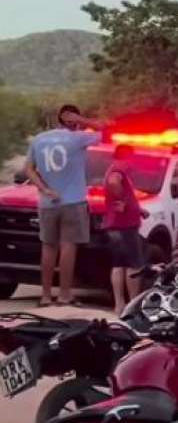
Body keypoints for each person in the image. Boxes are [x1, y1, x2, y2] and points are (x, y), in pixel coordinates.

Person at [24, 105, 106, 307]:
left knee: (48, 246)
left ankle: (45, 296)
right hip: (73, 201)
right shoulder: (79, 138)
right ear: (73, 119)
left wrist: (44, 189)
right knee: (68, 246)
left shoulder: (39, 139)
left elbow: (29, 169)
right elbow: (105, 130)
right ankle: (64, 294)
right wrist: (83, 120)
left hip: (47, 203)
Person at [103, 144, 148, 315]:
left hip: (114, 225)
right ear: (127, 158)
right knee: (133, 265)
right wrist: (121, 198)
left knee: (118, 265)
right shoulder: (118, 172)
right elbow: (114, 182)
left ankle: (119, 303)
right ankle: (133, 304)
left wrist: (139, 210)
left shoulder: (110, 170)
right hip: (125, 225)